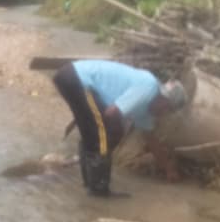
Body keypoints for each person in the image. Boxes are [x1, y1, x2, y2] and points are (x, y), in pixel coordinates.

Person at [53, 60, 187, 196]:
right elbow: (112, 113)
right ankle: (99, 190)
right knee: (105, 133)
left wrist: (168, 169)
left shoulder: (146, 110)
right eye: (166, 109)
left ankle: (90, 184)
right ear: (164, 99)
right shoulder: (149, 87)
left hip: (70, 76)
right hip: (79, 78)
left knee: (91, 134)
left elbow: (150, 140)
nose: (162, 114)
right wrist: (116, 132)